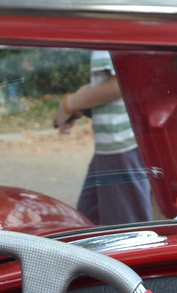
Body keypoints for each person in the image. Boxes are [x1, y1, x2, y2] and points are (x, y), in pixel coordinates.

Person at [53, 52, 152, 225]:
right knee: (88, 221)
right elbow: (104, 85)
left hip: (118, 146)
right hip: (112, 148)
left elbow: (118, 84)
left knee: (125, 231)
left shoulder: (107, 39)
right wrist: (76, 104)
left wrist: (69, 104)